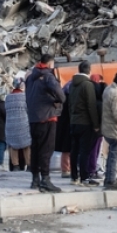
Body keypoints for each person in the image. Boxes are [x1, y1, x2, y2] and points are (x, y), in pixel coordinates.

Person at [26, 53, 66, 193]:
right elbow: (60, 94)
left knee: (36, 149)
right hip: (47, 117)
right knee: (46, 149)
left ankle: (35, 179)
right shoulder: (48, 76)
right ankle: (45, 179)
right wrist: (57, 101)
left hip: (33, 118)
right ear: (49, 64)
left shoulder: (30, 78)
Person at [68, 62, 100, 186]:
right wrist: (96, 124)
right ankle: (84, 177)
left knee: (74, 150)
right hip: (85, 122)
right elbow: (91, 105)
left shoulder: (72, 85)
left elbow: (70, 104)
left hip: (74, 121)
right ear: (89, 70)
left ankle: (74, 176)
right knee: (84, 151)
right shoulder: (87, 85)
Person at [4, 77, 31, 172]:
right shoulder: (25, 97)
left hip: (10, 124)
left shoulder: (8, 97)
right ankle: (29, 165)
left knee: (13, 146)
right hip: (23, 123)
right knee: (26, 145)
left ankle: (15, 166)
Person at [54, 76, 74, 178]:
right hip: (68, 125)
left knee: (66, 148)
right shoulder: (69, 97)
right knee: (67, 148)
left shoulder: (62, 95)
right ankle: (66, 169)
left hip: (63, 124)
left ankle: (67, 169)